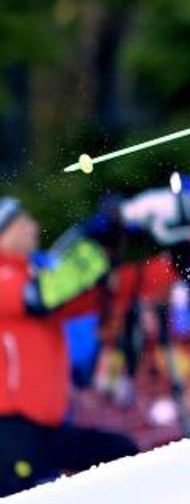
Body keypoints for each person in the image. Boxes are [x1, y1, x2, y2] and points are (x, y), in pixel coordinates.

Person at [0, 197, 139, 496]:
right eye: (21, 223)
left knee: (121, 452)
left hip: (44, 429)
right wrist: (91, 247)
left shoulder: (30, 276)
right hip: (10, 431)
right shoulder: (9, 279)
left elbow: (81, 297)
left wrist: (116, 255)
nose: (33, 227)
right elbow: (43, 296)